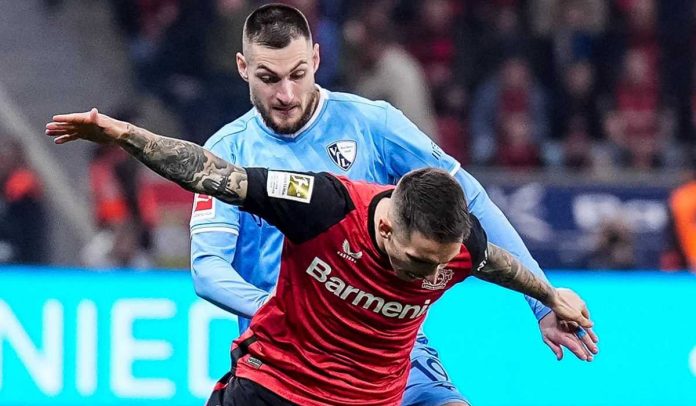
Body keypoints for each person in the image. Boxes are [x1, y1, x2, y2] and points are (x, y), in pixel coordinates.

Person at [185, 4, 596, 406]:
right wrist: (280, 311)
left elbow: (470, 202)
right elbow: (208, 268)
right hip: (291, 363)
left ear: (316, 59)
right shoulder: (228, 153)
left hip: (392, 347)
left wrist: (543, 302)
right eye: (269, 78)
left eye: (298, 74)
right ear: (243, 68)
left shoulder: (372, 124)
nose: (286, 94)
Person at [45, 108, 596, 405]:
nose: (429, 276)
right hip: (276, 388)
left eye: (440, 264)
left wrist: (547, 298)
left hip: (371, 393)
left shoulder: (456, 246)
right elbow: (213, 174)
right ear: (386, 225)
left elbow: (496, 262)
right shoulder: (323, 204)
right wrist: (123, 135)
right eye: (417, 261)